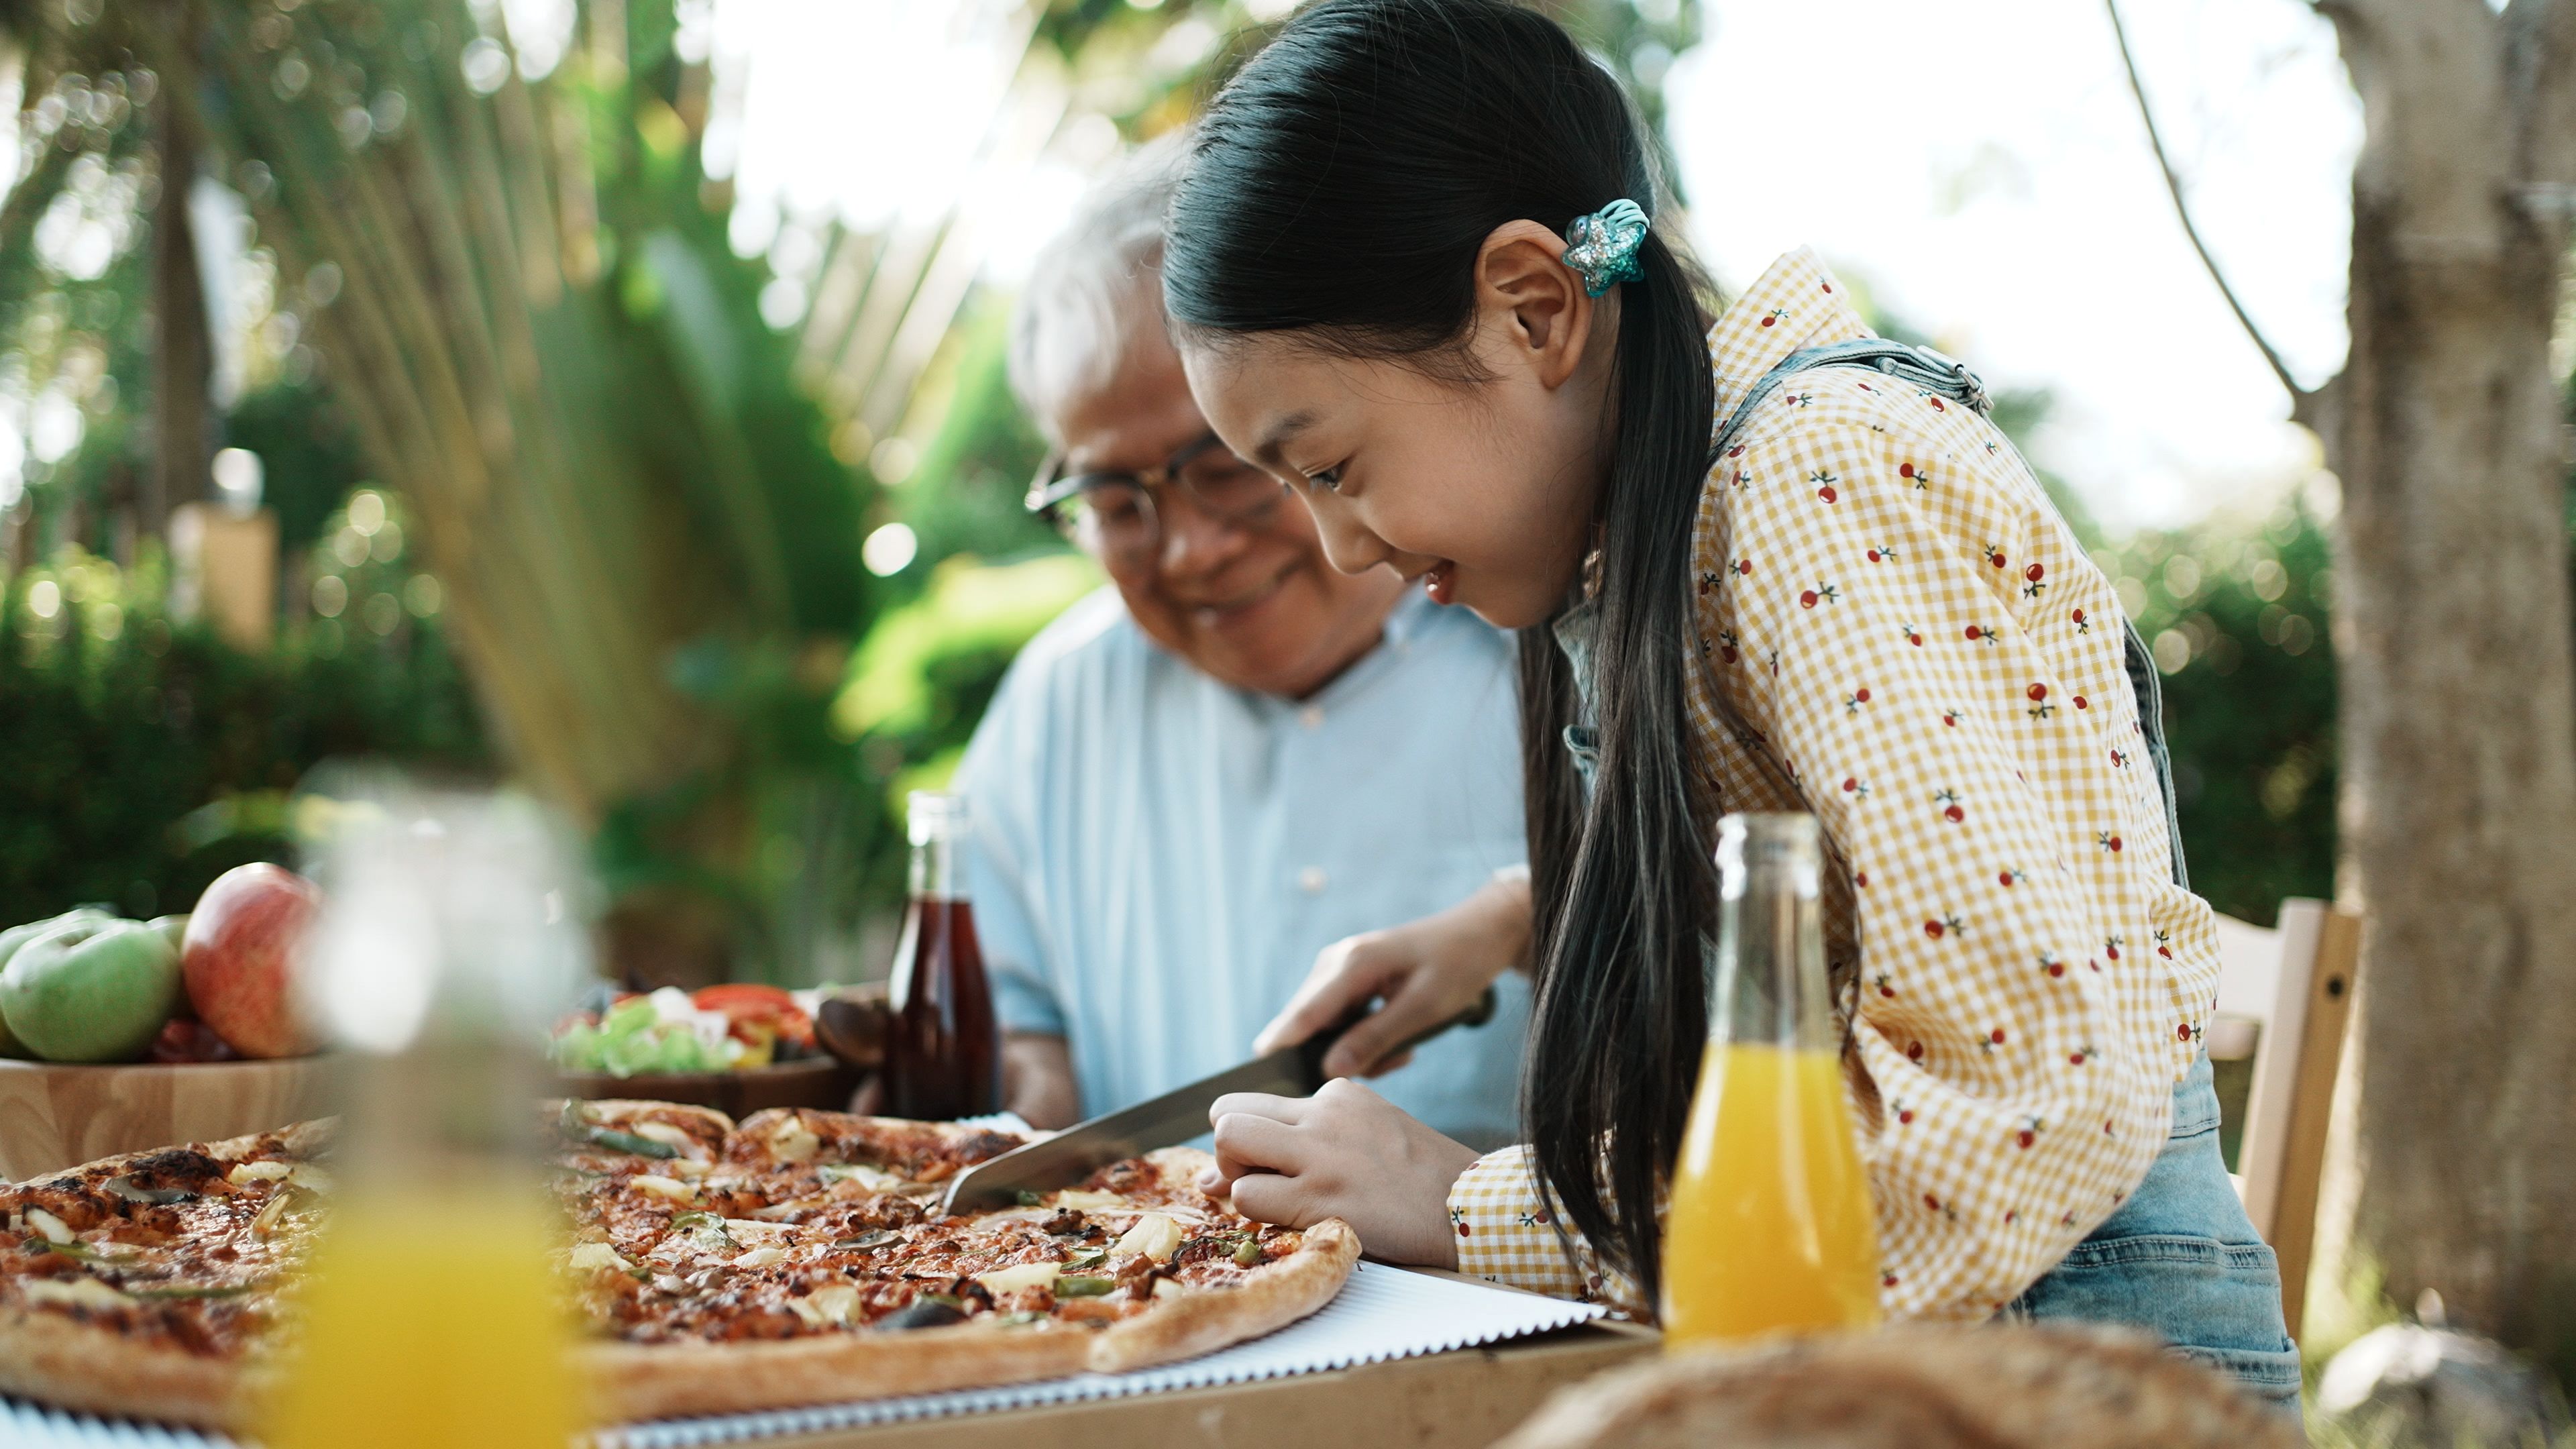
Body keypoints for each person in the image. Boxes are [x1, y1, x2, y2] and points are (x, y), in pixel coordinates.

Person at [1159, 0, 2301, 1409]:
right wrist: (1510, 922)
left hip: (2067, 1383)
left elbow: (2011, 1117)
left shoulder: (1818, 493)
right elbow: (1869, 863)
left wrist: (1473, 1207)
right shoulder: (1675, 511)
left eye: (1328, 468)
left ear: (1535, 306)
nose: (1342, 549)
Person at [946, 142, 1534, 1149]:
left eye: (1221, 464)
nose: (1191, 549)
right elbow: (1009, 1009)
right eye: (1112, 499)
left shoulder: (1547, 642)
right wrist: (1019, 1105)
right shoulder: (1059, 703)